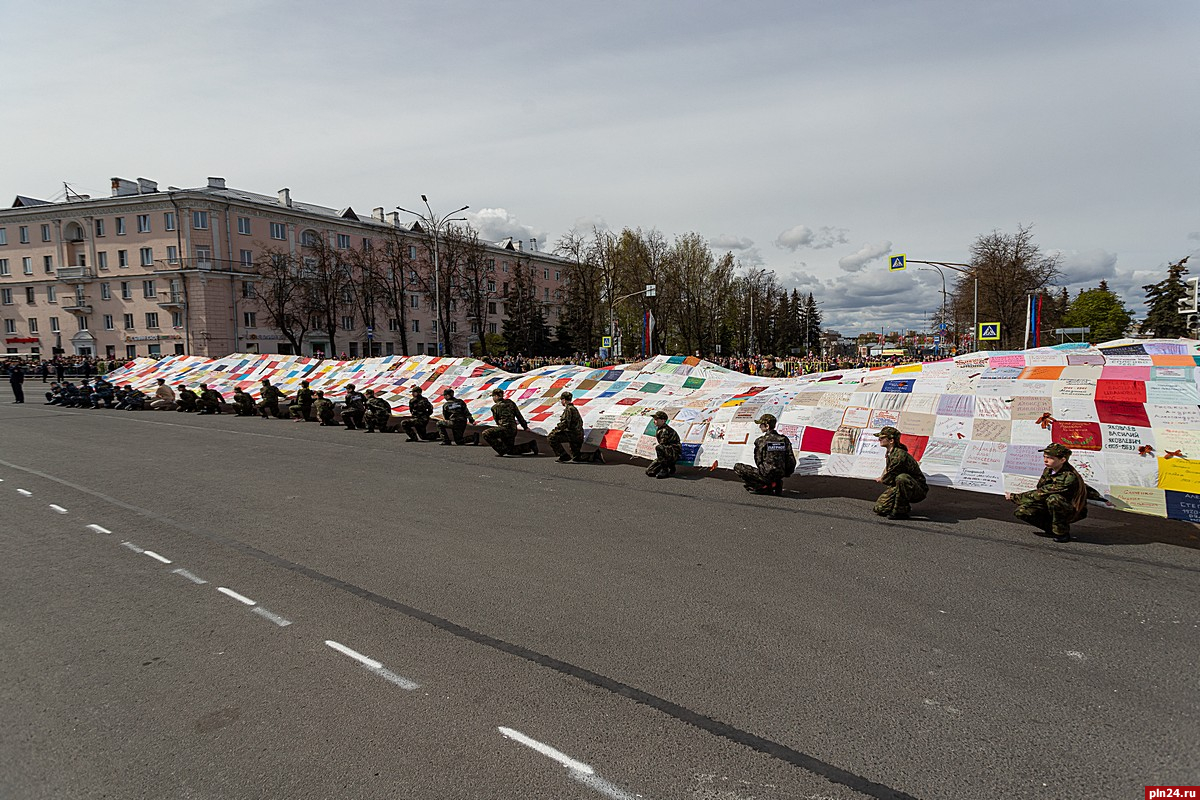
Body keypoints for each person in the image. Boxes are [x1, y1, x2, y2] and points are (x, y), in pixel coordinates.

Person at [1006, 443, 1087, 543]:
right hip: (1050, 505)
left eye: (1050, 458)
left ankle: (1062, 533)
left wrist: (1015, 497)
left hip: (1070, 509)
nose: (1045, 460)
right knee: (1022, 511)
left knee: (1053, 499)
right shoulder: (1048, 470)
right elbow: (1041, 488)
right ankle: (1051, 528)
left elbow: (1042, 492)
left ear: (1062, 460)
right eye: (1044, 456)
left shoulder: (1068, 477)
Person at [872, 426, 927, 520]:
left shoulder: (899, 455)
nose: (879, 440)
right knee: (880, 509)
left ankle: (901, 511)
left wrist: (884, 479)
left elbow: (889, 477)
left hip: (916, 489)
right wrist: (881, 477)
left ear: (891, 441)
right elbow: (888, 468)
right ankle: (896, 504)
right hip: (900, 484)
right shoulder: (891, 452)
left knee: (902, 478)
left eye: (882, 438)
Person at [734, 413, 796, 494]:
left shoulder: (761, 441)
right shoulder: (784, 439)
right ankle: (775, 482)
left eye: (761, 425)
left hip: (766, 474)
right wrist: (786, 473)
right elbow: (791, 459)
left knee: (738, 467)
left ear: (767, 426)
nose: (760, 427)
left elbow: (758, 460)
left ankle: (763, 486)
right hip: (780, 474)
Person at [482, 388, 538, 456]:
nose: (493, 399)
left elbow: (497, 421)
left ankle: (501, 450)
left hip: (504, 429)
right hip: (513, 429)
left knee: (486, 433)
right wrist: (525, 427)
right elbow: (519, 415)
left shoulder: (495, 407)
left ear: (496, 396)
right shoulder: (511, 403)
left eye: (493, 397)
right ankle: (530, 445)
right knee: (509, 450)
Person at [548, 391, 585, 463]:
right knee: (576, 457)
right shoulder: (574, 408)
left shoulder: (569, 409)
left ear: (564, 400)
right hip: (578, 435)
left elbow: (564, 423)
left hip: (573, 435)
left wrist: (555, 430)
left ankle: (563, 455)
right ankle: (594, 455)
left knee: (551, 437)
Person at [645, 411, 682, 478]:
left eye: (656, 419)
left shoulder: (665, 431)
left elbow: (662, 447)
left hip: (673, 453)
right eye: (654, 419)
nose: (654, 421)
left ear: (663, 421)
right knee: (649, 471)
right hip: (668, 452)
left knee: (659, 448)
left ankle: (665, 470)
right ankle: (670, 466)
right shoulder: (660, 429)